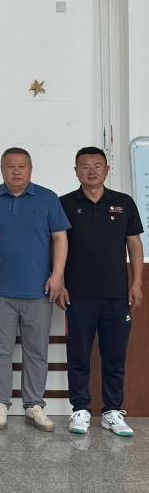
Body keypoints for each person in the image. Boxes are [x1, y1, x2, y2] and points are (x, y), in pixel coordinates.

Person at [0, 147, 69, 432]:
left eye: (22, 166)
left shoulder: (48, 198)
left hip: (39, 290)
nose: (16, 171)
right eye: (10, 166)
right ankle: (0, 403)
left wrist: (57, 276)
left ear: (30, 169)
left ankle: (34, 405)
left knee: (36, 351)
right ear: (1, 169)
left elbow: (60, 238)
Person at [60, 146, 144, 437]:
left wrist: (136, 283)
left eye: (97, 165)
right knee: (78, 356)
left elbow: (134, 244)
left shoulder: (123, 202)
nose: (92, 171)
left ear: (107, 169)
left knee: (114, 356)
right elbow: (56, 245)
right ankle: (80, 409)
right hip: (78, 294)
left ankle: (112, 411)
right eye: (85, 166)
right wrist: (59, 282)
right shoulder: (64, 203)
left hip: (116, 295)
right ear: (76, 171)